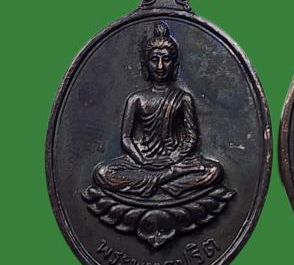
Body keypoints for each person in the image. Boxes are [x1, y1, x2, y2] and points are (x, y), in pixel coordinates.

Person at [93, 21, 222, 198]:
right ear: (145, 64)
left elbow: (191, 138)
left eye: (166, 59)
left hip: (175, 160)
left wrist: (173, 158)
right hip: (142, 159)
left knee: (214, 170)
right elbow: (126, 138)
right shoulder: (136, 99)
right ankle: (167, 183)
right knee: (102, 173)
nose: (160, 66)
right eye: (154, 60)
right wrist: (142, 160)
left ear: (174, 65)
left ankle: (155, 183)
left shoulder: (183, 98)